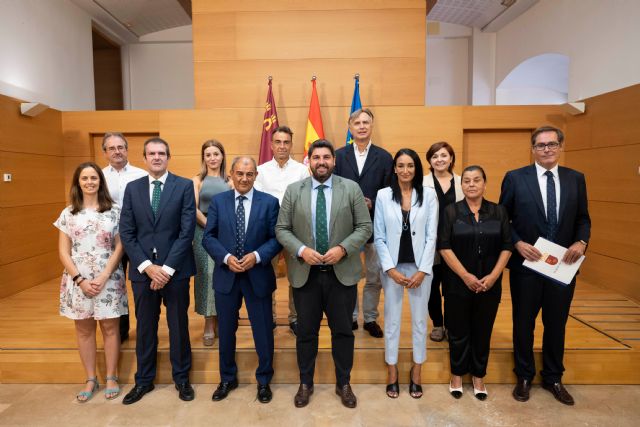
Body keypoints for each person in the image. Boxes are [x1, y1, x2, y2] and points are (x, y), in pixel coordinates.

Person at [276, 139, 372, 409]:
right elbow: (282, 229)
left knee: (343, 332)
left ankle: (344, 383)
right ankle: (305, 383)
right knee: (306, 332)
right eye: (316, 157)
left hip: (341, 274)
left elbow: (364, 226)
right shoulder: (294, 191)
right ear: (309, 161)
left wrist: (343, 248)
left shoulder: (351, 188)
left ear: (334, 160)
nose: (321, 162)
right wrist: (301, 250)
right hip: (306, 274)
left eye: (326, 157)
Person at [500, 125, 590, 406]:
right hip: (528, 265)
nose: (547, 149)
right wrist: (516, 243)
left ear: (561, 146)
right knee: (523, 323)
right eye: (541, 145)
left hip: (563, 266)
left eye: (552, 144)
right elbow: (503, 219)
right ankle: (524, 375)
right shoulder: (515, 178)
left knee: (556, 324)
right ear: (533, 149)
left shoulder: (576, 179)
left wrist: (582, 242)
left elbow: (583, 219)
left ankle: (553, 377)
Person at [119, 137, 197, 405]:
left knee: (178, 326)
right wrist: (147, 267)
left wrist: (165, 269)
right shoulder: (132, 188)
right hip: (143, 272)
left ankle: (182, 378)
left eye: (161, 153)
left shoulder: (184, 186)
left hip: (176, 270)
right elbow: (127, 233)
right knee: (145, 327)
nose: (156, 157)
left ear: (168, 156)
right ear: (144, 157)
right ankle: (143, 381)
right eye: (151, 153)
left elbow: (187, 232)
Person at [202, 157, 282, 404]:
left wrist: (257, 256)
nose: (244, 178)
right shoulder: (218, 202)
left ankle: (264, 380)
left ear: (256, 175)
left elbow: (277, 238)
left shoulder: (269, 203)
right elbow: (208, 237)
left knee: (263, 331)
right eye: (240, 173)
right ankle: (227, 378)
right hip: (227, 276)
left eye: (249, 174)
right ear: (232, 176)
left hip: (258, 276)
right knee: (226, 330)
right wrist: (226, 258)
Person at [54, 162, 127, 402]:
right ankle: (90, 378)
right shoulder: (68, 213)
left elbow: (120, 245)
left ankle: (112, 376)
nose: (89, 182)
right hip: (78, 280)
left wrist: (105, 274)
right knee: (84, 330)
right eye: (84, 178)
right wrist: (80, 279)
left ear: (100, 181)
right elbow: (64, 252)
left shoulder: (114, 210)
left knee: (110, 328)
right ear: (78, 182)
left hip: (108, 277)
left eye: (93, 178)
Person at [438, 165, 512, 401]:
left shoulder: (499, 211)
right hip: (458, 283)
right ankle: (457, 375)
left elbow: (507, 246)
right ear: (461, 186)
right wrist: (465, 276)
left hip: (489, 284)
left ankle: (479, 376)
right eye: (467, 181)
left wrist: (493, 276)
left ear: (485, 183)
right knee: (458, 330)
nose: (471, 184)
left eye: (476, 180)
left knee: (482, 330)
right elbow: (444, 246)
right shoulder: (451, 211)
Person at [373, 148, 438, 399]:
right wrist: (389, 269)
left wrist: (423, 270)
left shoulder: (429, 195)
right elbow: (378, 236)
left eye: (410, 165)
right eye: (400, 165)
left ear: (417, 168)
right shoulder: (383, 195)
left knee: (421, 321)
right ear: (394, 169)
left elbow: (432, 235)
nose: (405, 170)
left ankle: (417, 371)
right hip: (393, 267)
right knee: (392, 321)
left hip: (420, 267)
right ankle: (392, 371)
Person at [334, 108, 393, 338]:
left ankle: (369, 318)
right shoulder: (339, 155)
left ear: (372, 126)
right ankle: (350, 317)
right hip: (345, 227)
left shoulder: (385, 157)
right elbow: (333, 188)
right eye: (356, 122)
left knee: (374, 275)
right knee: (348, 275)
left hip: (375, 224)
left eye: (365, 122)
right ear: (350, 127)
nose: (361, 126)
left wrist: (373, 202)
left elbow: (390, 192)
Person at [255, 126, 310, 335]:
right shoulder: (260, 170)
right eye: (278, 142)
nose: (282, 146)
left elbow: (305, 201)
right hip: (267, 232)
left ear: (291, 145)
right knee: (265, 276)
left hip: (293, 231)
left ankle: (295, 317)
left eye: (286, 142)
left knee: (296, 276)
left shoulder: (302, 171)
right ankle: (269, 317)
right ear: (271, 145)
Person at [101, 132, 146, 343]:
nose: (117, 152)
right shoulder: (99, 177)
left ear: (127, 149)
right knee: (115, 286)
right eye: (112, 148)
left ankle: (145, 329)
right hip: (110, 241)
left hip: (137, 239)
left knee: (140, 286)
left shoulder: (141, 175)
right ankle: (121, 331)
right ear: (105, 153)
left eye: (121, 147)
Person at [423, 141, 464, 342]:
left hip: (456, 245)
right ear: (430, 160)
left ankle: (452, 323)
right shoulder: (422, 183)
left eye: (444, 155)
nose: (439, 159)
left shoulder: (463, 181)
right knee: (432, 287)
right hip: (430, 245)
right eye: (435, 156)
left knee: (453, 287)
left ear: (451, 158)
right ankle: (438, 325)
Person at [192, 140, 231, 346]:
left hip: (226, 232)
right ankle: (208, 322)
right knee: (207, 276)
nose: (212, 158)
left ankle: (223, 319)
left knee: (223, 274)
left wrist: (221, 227)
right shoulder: (197, 180)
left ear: (222, 156)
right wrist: (210, 225)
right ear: (204, 158)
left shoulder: (231, 180)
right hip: (203, 231)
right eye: (208, 155)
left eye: (216, 154)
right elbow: (193, 208)